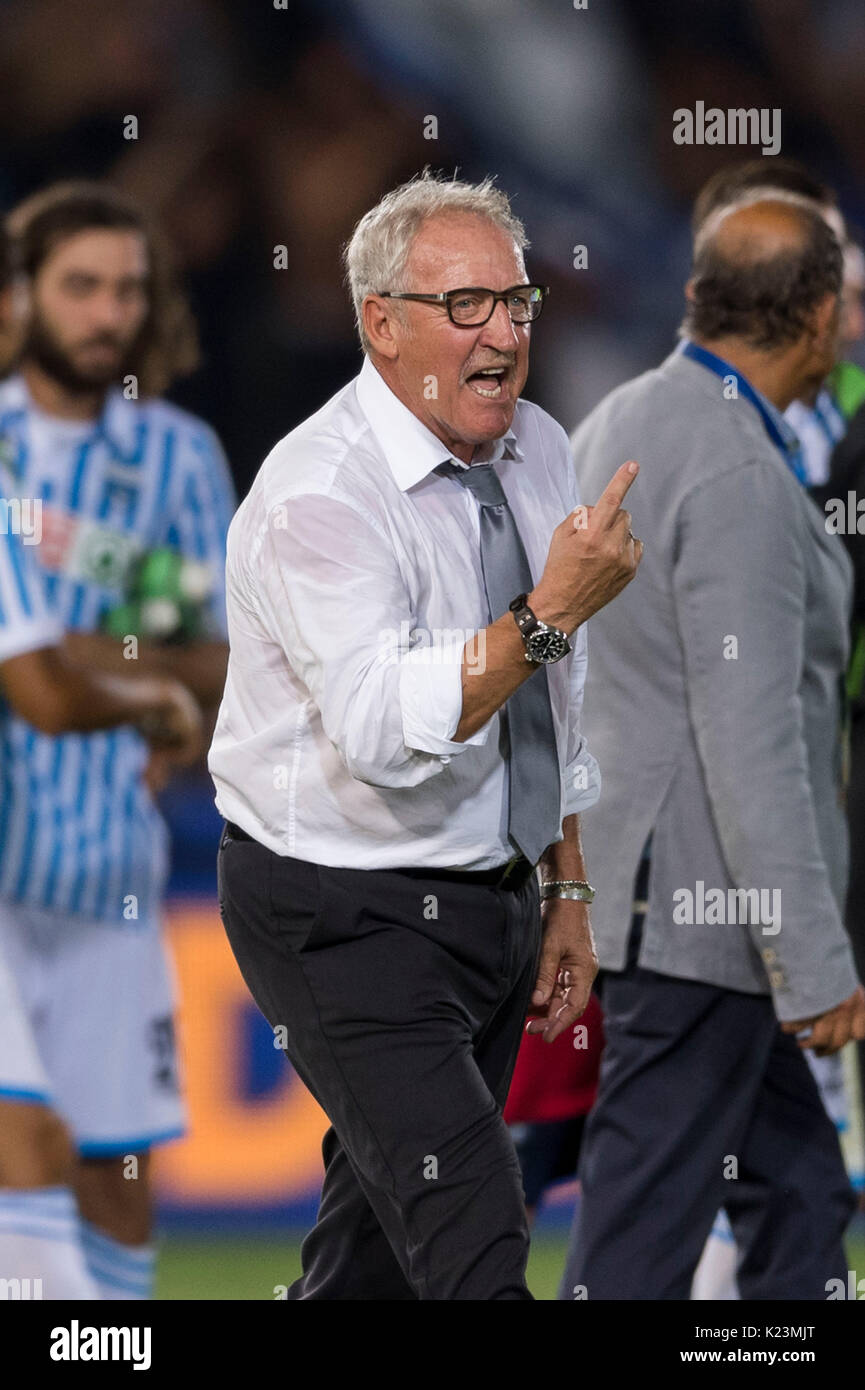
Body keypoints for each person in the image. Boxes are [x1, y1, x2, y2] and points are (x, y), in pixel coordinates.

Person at [210, 170, 641, 1301]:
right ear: (381, 325)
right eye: (467, 307)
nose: (502, 330)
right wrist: (548, 613)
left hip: (491, 888)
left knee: (370, 1267)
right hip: (339, 911)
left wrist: (568, 886)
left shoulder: (539, 446)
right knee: (471, 1224)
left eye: (516, 302)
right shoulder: (319, 496)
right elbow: (383, 736)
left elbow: (562, 694)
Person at [558, 192, 865, 1302]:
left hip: (641, 898)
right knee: (638, 1249)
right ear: (823, 318)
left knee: (797, 1202)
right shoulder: (735, 469)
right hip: (701, 922)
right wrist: (813, 961)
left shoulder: (619, 420)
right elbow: (753, 741)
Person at [0, 181, 235, 1299]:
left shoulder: (177, 458)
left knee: (113, 1176)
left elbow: (224, 655)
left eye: (127, 290)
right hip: (5, 866)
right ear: (22, 297)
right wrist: (132, 647)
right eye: (80, 286)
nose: (106, 313)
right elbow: (149, 645)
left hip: (109, 874)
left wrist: (77, 646)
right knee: (21, 1146)